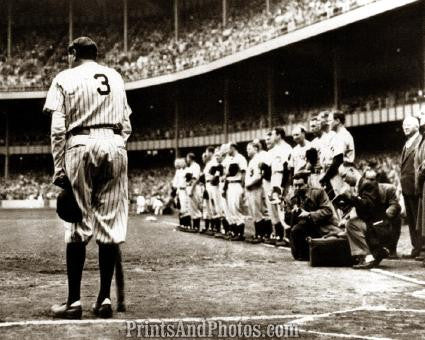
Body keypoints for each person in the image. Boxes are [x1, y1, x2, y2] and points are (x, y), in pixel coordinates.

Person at [45, 37, 132, 319]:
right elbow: (127, 124)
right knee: (109, 226)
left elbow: (58, 129)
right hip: (116, 144)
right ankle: (104, 299)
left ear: (73, 53)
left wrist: (60, 168)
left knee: (78, 226)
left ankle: (73, 303)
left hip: (80, 143)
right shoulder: (116, 77)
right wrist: (114, 144)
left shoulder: (65, 77)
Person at [337, 163, 390, 269]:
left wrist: (351, 197)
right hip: (373, 224)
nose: (344, 180)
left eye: (344, 175)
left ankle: (368, 256)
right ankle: (378, 251)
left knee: (351, 225)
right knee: (347, 227)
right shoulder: (359, 185)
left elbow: (367, 206)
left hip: (378, 226)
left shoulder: (368, 184)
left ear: (352, 171)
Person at [285, 171, 340, 261]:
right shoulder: (290, 197)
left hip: (321, 226)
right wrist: (292, 214)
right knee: (298, 255)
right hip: (302, 228)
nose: (297, 188)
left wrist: (309, 214)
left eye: (300, 185)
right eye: (295, 185)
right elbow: (287, 220)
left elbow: (328, 211)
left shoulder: (318, 193)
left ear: (307, 184)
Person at [266, 127, 292, 246]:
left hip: (282, 178)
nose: (271, 137)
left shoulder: (286, 148)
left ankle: (288, 237)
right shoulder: (274, 149)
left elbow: (287, 168)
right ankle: (280, 235)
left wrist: (283, 185)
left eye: (273, 135)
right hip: (274, 177)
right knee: (275, 207)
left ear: (279, 135)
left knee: (283, 207)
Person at [400, 116, 422, 259]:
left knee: (418, 218)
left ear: (417, 126)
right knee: (412, 219)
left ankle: (421, 248)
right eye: (404, 125)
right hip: (406, 187)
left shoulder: (420, 141)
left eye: (408, 125)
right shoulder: (407, 143)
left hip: (416, 186)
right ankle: (416, 248)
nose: (405, 127)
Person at [222, 143, 247, 241]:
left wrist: (243, 186)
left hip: (237, 184)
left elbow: (244, 173)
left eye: (228, 148)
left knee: (236, 207)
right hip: (229, 184)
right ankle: (235, 232)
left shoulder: (240, 158)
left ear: (233, 148)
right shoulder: (229, 159)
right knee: (231, 209)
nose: (227, 151)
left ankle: (240, 233)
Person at [245, 142, 267, 243]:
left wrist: (250, 184)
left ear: (256, 149)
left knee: (257, 211)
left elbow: (259, 176)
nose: (247, 151)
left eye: (249, 149)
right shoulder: (251, 161)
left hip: (256, 187)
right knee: (253, 212)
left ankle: (260, 235)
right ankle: (257, 234)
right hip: (251, 188)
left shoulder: (258, 159)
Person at [185, 153, 203, 232]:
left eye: (187, 158)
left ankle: (196, 227)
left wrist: (191, 190)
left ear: (190, 158)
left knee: (195, 207)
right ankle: (194, 226)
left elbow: (195, 179)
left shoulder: (196, 166)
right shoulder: (190, 167)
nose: (186, 159)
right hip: (190, 187)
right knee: (191, 207)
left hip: (195, 188)